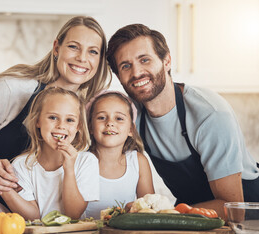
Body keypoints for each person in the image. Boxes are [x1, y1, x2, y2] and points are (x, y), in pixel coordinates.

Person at [0, 16, 111, 208]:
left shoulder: (84, 110)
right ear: (56, 48)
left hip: (18, 213)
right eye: (73, 47)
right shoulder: (13, 89)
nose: (82, 58)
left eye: (93, 51)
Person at [106, 23, 259, 219]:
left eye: (144, 60)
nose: (136, 73)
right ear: (118, 76)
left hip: (248, 221)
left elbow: (232, 209)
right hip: (191, 216)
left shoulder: (210, 115)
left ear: (167, 61)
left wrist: (163, 213)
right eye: (125, 66)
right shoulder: (132, 115)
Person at [0, 87, 99, 220]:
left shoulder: (86, 161)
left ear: (78, 126)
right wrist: (5, 189)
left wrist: (69, 170)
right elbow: (33, 216)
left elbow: (73, 215)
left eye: (69, 120)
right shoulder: (22, 164)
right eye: (53, 117)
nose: (61, 126)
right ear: (37, 121)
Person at [85, 91, 154, 219]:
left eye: (119, 118)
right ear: (90, 127)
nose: (110, 123)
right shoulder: (81, 162)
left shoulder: (138, 162)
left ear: (131, 130)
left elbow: (149, 209)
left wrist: (133, 210)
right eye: (101, 117)